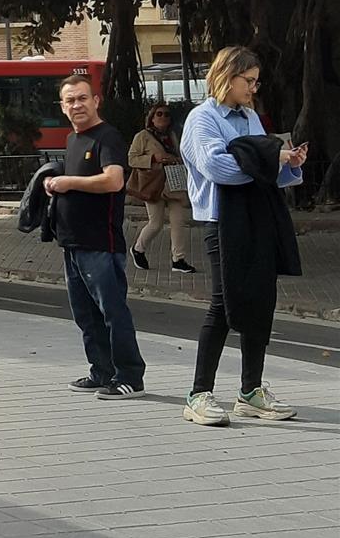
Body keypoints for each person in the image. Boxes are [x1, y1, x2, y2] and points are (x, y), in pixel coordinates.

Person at [177, 46, 306, 426]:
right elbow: (219, 168)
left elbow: (263, 166)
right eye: (248, 80)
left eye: (256, 81)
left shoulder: (249, 117)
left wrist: (286, 162)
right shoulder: (202, 119)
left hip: (256, 215)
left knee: (260, 300)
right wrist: (267, 158)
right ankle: (199, 393)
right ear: (226, 77)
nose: (253, 88)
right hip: (221, 220)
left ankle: (251, 390)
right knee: (224, 303)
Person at [45, 75, 146, 398]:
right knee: (86, 316)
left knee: (113, 313)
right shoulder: (73, 139)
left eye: (82, 98)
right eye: (70, 100)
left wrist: (68, 182)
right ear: (62, 107)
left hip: (101, 244)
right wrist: (53, 183)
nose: (77, 105)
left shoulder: (108, 137)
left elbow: (114, 180)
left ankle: (130, 376)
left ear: (96, 101)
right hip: (73, 243)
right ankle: (101, 372)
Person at [129, 105, 196, 273]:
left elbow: (181, 154)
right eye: (159, 114)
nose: (163, 117)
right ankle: (138, 248)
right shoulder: (143, 136)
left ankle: (178, 259)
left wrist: (177, 159)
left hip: (174, 183)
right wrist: (153, 158)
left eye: (166, 114)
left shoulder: (172, 136)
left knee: (178, 222)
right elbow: (132, 159)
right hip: (154, 184)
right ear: (152, 118)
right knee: (156, 223)